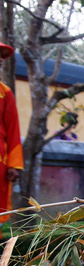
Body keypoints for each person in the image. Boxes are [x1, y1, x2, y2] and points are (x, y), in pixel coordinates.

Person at [0, 42, 23, 232]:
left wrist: (14, 165)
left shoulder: (5, 93)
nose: (0, 59)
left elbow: (13, 129)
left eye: (1, 56)